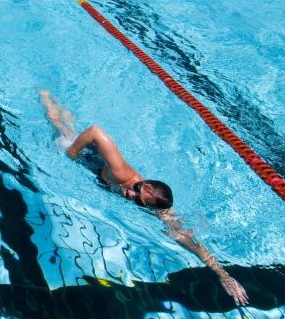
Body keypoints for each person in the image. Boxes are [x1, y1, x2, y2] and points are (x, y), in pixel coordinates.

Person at [39, 90, 248, 306]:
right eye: (136, 189)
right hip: (90, 156)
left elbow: (189, 241)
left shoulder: (158, 209)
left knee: (67, 125)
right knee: (60, 128)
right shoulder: (121, 173)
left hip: (98, 170)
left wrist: (223, 274)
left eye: (137, 200)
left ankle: (61, 108)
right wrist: (72, 153)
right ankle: (44, 93)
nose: (129, 193)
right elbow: (95, 131)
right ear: (144, 182)